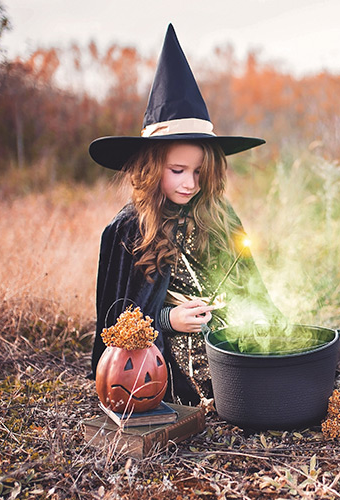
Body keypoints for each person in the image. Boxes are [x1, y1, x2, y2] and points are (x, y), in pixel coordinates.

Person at [89, 24, 281, 406]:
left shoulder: (219, 214)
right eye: (177, 171)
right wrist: (167, 321)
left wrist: (250, 314)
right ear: (150, 166)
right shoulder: (128, 229)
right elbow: (117, 324)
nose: (190, 184)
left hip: (229, 342)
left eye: (198, 172)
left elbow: (249, 286)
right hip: (163, 360)